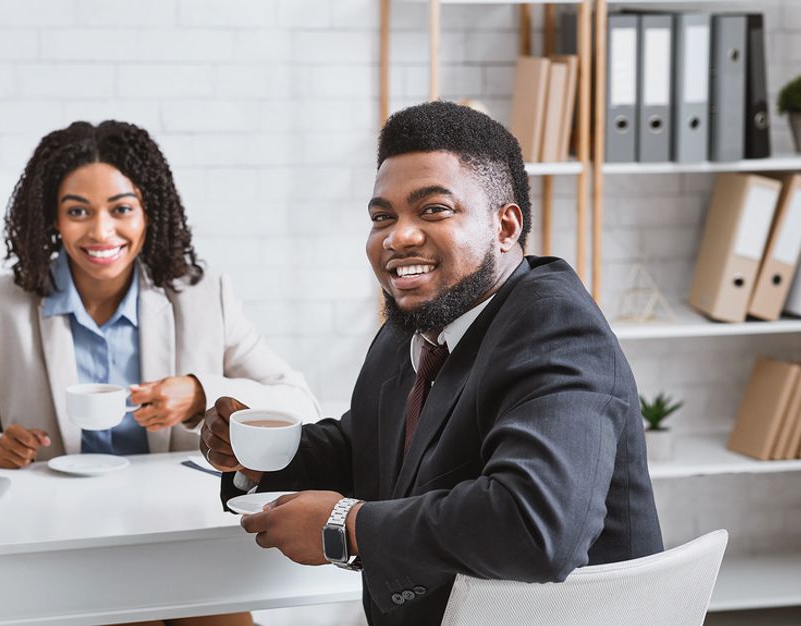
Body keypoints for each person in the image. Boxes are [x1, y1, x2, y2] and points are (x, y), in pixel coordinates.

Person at [201, 101, 663, 626]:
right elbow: (374, 448)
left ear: (505, 226)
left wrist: (345, 527)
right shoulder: (415, 326)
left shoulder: (555, 326)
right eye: (382, 217)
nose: (398, 236)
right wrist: (261, 457)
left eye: (433, 210)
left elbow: (535, 525)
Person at [0, 120, 319, 626]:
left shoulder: (202, 296)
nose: (101, 232)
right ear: (52, 218)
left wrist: (202, 393)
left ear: (148, 214)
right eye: (78, 211)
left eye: (121, 209)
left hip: (181, 539)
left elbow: (300, 403)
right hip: (63, 545)